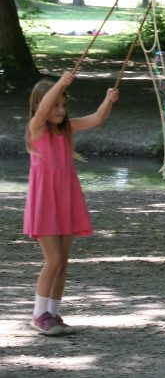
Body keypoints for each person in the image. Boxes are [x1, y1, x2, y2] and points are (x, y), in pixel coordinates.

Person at [24, 71, 119, 336]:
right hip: (45, 202)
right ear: (40, 105)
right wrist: (60, 83)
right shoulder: (36, 128)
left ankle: (53, 313)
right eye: (55, 104)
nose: (60, 110)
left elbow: (97, 118)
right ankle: (39, 315)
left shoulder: (67, 129)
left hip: (65, 199)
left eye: (64, 105)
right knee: (53, 259)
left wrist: (108, 100)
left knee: (63, 261)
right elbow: (43, 110)